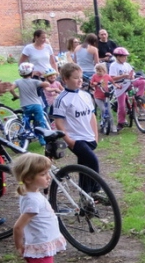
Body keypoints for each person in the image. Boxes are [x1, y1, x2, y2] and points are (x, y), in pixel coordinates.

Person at [53, 63, 101, 193]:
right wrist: (69, 141)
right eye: (75, 78)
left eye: (80, 77)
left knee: (84, 167)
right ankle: (96, 190)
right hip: (75, 139)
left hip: (89, 137)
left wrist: (95, 136)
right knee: (93, 162)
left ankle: (85, 197)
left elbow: (92, 116)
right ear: (65, 80)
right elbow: (59, 122)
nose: (80, 80)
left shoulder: (85, 95)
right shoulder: (61, 99)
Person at [10, 62, 49, 145]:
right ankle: (42, 139)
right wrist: (40, 77)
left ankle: (23, 140)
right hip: (36, 105)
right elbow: (46, 84)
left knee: (25, 121)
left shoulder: (18, 81)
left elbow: (11, 88)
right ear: (32, 72)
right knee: (40, 121)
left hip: (25, 105)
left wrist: (15, 95)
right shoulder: (35, 81)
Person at [109, 47, 145, 132]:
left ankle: (138, 98)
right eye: (123, 56)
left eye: (126, 56)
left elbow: (131, 75)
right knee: (121, 106)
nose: (125, 58)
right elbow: (112, 78)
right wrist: (123, 76)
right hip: (120, 86)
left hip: (129, 84)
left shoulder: (127, 65)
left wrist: (131, 76)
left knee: (142, 82)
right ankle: (121, 122)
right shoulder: (113, 65)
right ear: (118, 57)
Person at [91, 63, 113, 130]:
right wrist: (94, 83)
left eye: (100, 71)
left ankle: (112, 125)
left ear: (104, 71)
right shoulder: (94, 76)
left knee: (109, 111)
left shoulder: (107, 76)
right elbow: (91, 83)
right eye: (97, 71)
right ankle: (102, 121)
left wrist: (116, 86)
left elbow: (112, 81)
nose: (98, 72)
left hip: (105, 96)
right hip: (97, 97)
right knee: (103, 109)